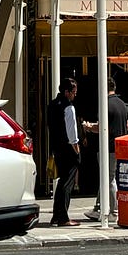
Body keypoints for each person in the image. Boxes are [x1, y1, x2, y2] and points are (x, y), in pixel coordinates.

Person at [84, 77, 128, 222]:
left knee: (109, 179)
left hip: (108, 147)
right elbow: (127, 125)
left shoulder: (105, 105)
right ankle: (99, 208)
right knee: (106, 178)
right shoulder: (122, 104)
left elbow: (103, 127)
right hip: (121, 146)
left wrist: (89, 127)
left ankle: (114, 212)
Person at [46, 78, 81, 226]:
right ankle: (63, 217)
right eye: (73, 92)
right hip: (68, 149)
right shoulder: (68, 107)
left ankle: (57, 215)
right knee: (67, 183)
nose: (75, 95)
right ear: (67, 92)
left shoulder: (52, 105)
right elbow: (72, 133)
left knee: (61, 183)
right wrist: (77, 149)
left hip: (56, 148)